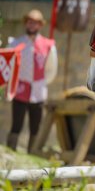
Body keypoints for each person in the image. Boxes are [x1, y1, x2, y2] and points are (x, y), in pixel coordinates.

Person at [6, 9, 57, 153]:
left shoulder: (48, 45)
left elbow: (51, 69)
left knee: (36, 125)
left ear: (40, 25)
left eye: (35, 23)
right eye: (30, 22)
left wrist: (42, 83)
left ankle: (33, 151)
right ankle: (11, 150)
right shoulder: (16, 43)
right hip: (20, 90)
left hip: (38, 90)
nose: (32, 25)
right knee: (17, 123)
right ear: (25, 24)